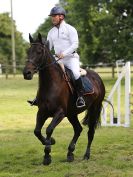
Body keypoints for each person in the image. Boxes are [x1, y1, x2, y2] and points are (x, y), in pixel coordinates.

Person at [28, 6, 85, 108]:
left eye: (54, 16)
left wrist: (64, 53)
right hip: (58, 59)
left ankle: (80, 97)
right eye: (52, 16)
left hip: (71, 58)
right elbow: (48, 47)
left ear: (61, 17)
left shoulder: (70, 29)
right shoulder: (51, 32)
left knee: (76, 73)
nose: (52, 18)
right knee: (46, 73)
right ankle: (39, 97)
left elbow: (75, 44)